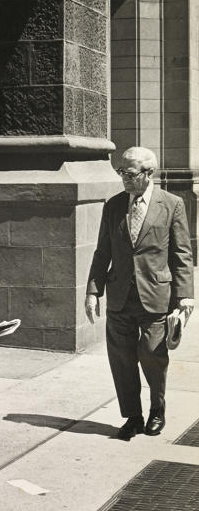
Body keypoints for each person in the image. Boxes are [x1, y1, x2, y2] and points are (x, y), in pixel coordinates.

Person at [85, 147, 194, 440]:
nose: (124, 179)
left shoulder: (172, 204)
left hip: (156, 295)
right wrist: (93, 291)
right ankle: (132, 417)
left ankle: (157, 410)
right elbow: (102, 251)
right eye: (121, 172)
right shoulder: (114, 205)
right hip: (120, 296)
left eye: (130, 174)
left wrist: (185, 295)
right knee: (121, 359)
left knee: (151, 354)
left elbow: (182, 253)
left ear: (149, 174)